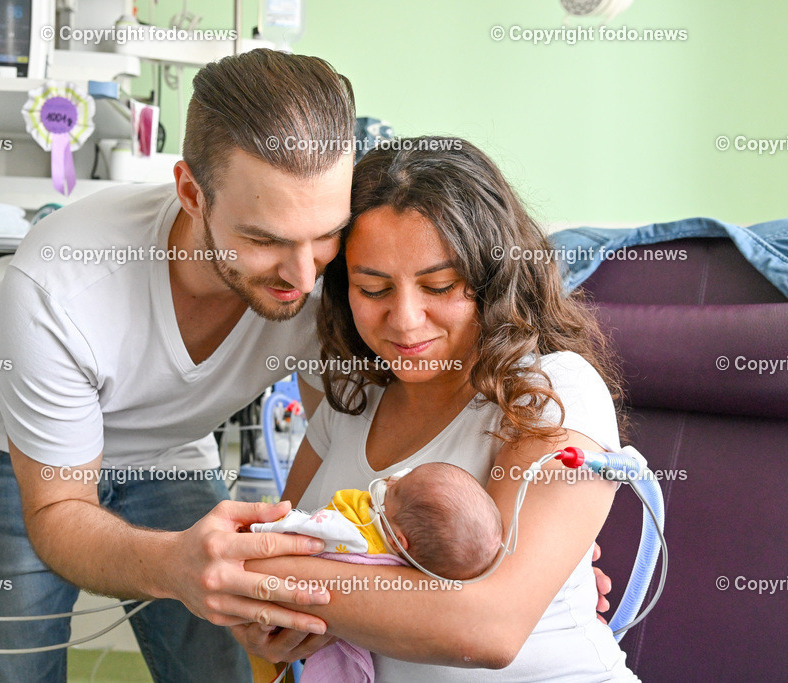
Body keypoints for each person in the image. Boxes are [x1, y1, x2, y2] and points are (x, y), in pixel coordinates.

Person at [0, 49, 356, 682]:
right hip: (11, 449)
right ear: (191, 192)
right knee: (11, 672)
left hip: (167, 446)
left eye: (324, 234)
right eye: (265, 239)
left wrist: (295, 564)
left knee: (219, 671)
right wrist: (175, 566)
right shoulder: (61, 284)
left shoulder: (340, 278)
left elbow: (335, 441)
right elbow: (56, 512)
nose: (303, 276)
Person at [233, 136, 639, 680]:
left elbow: (486, 629)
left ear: (493, 278)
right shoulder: (352, 403)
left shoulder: (550, 391)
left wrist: (282, 582)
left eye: (440, 285)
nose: (404, 320)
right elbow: (266, 572)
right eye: (373, 289)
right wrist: (272, 619)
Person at [251, 461, 503, 580]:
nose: (392, 480)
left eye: (394, 491)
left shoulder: (353, 538)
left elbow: (293, 531)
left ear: (398, 541)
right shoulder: (404, 556)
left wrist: (257, 528)